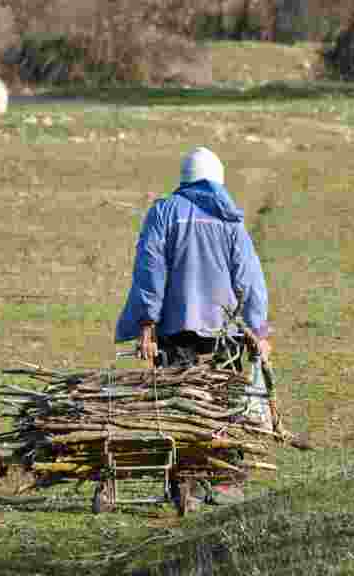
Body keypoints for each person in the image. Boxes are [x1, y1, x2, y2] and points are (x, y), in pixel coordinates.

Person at [115, 146, 272, 506]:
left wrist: (146, 322)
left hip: (175, 330)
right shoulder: (230, 219)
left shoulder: (164, 213)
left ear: (183, 179)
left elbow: (149, 271)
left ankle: (185, 483)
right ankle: (225, 481)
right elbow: (249, 279)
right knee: (225, 401)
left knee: (180, 403)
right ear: (218, 180)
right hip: (225, 331)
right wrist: (258, 329)